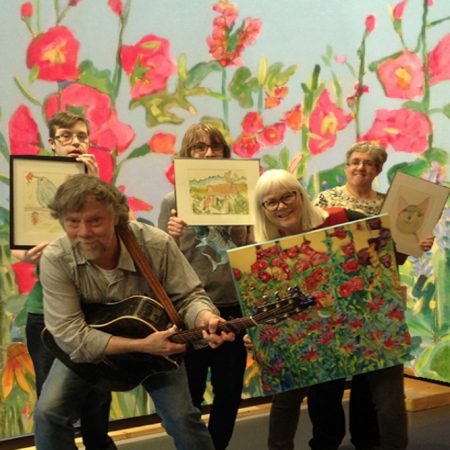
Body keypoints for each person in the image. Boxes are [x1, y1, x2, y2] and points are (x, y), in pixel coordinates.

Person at [34, 173, 235, 450]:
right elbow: (70, 334)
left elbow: (189, 297)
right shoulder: (57, 259)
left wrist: (207, 318)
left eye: (95, 220)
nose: (83, 232)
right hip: (96, 348)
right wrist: (142, 345)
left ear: (116, 216)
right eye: (72, 222)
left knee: (183, 418)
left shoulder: (155, 244)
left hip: (157, 346)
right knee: (49, 414)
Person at [314, 141, 434, 450]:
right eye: (354, 161)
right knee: (329, 378)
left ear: (378, 169)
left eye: (368, 163)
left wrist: (414, 244)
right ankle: (326, 440)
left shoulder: (389, 206)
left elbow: (396, 258)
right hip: (333, 299)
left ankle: (365, 440)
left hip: (376, 300)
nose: (360, 167)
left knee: (370, 379)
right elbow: (314, 249)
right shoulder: (325, 200)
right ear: (346, 165)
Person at [12, 111, 116, 450]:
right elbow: (17, 250)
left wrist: (97, 183)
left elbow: (119, 236)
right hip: (46, 311)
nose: (76, 142)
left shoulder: (101, 190)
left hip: (96, 310)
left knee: (98, 402)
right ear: (52, 143)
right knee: (54, 408)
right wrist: (30, 253)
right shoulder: (33, 183)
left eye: (82, 136)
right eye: (67, 136)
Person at [251, 168, 370, 450]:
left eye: (287, 196)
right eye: (271, 202)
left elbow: (383, 240)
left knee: (348, 398)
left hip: (348, 326)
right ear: (263, 209)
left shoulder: (340, 218)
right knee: (303, 398)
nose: (281, 206)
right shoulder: (264, 246)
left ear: (300, 195)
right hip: (302, 333)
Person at [158, 123, 249, 450]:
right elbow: (160, 264)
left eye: (215, 147)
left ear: (225, 153)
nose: (208, 153)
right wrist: (171, 233)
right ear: (186, 154)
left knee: (229, 392)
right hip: (187, 312)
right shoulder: (173, 200)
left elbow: (247, 250)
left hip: (231, 307)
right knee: (189, 397)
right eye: (199, 147)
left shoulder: (241, 195)